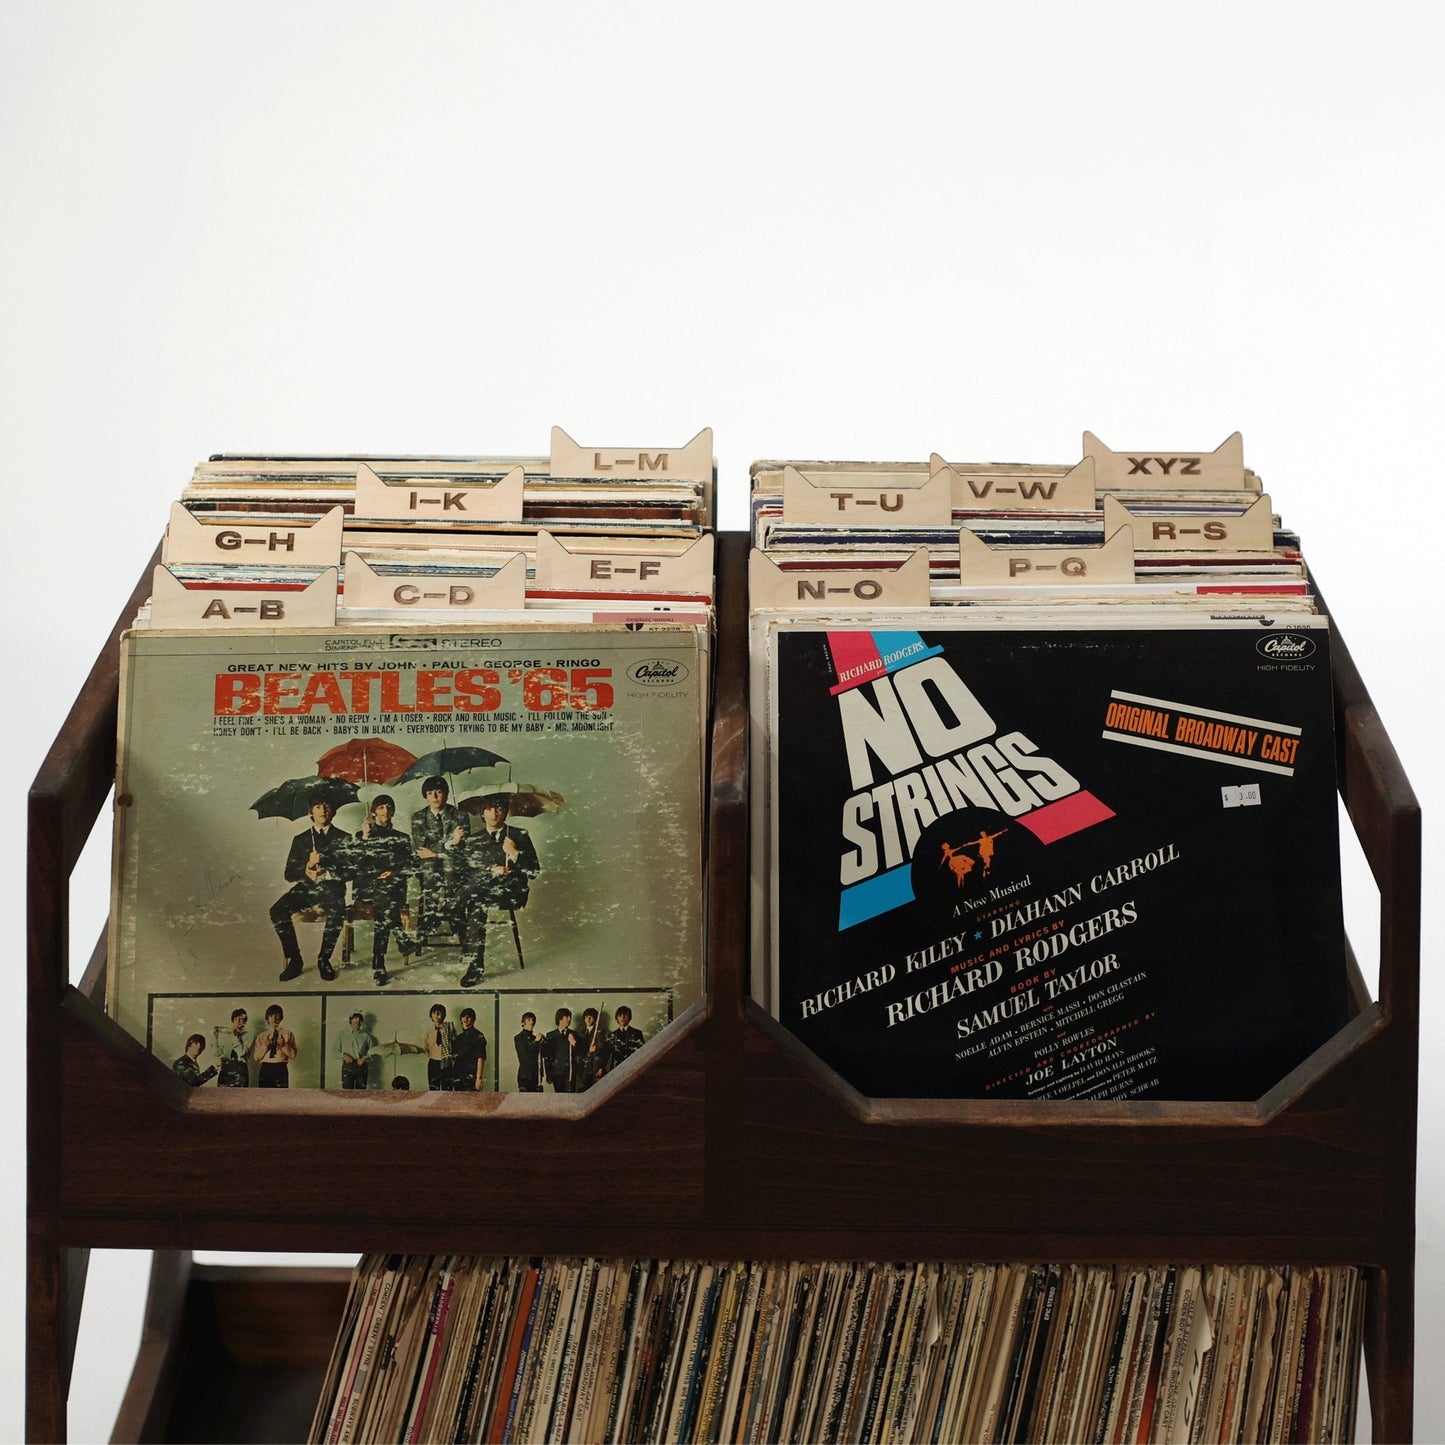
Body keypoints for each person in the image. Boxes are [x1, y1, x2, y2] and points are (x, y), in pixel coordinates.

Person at [451, 791, 540, 988]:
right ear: (482, 813)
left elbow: (534, 872)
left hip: (511, 893)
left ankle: (445, 912)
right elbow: (463, 872)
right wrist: (491, 870)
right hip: (482, 893)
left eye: (499, 809)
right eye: (489, 809)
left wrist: (515, 854)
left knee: (476, 895)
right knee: (477, 902)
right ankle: (475, 967)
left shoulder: (519, 835)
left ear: (506, 811)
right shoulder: (474, 839)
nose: (494, 813)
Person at [269, 795, 350, 982]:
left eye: (326, 806)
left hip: (331, 889)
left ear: (332, 811)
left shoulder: (344, 838)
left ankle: (324, 959)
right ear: (310, 812)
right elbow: (289, 874)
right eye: (318, 806)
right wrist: (307, 867)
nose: (323, 810)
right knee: (277, 910)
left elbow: (352, 871)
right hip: (307, 888)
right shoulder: (301, 839)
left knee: (338, 910)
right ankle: (295, 960)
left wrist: (328, 873)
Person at [347, 794, 418, 986]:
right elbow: (356, 865)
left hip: (393, 889)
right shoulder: (361, 835)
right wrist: (365, 838)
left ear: (393, 812)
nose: (385, 810)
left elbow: (410, 866)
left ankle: (378, 961)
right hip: (367, 890)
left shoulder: (402, 838)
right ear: (373, 812)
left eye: (388, 807)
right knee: (385, 904)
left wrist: (393, 873)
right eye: (380, 807)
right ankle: (401, 940)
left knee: (384, 903)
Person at [411, 776, 465, 941]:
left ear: (446, 794)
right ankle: (433, 914)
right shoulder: (418, 817)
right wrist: (450, 843)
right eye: (429, 793)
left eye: (439, 792)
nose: (434, 797)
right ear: (425, 796)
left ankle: (448, 918)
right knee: (431, 866)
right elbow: (422, 847)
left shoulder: (460, 815)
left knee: (451, 864)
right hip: (428, 867)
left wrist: (436, 852)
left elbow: (463, 848)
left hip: (454, 866)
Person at [252, 1004, 296, 1088]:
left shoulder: (288, 1034)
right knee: (264, 1094)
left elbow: (293, 1055)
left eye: (277, 1015)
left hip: (281, 1068)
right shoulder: (261, 1036)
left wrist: (283, 1045)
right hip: (266, 1068)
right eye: (271, 1016)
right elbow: (256, 1058)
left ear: (281, 1017)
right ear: (267, 1018)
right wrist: (265, 1046)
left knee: (280, 1094)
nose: (274, 1018)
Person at [450, 1006, 487, 1091]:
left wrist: (479, 1078)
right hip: (457, 1076)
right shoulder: (459, 1037)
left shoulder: (479, 1036)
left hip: (471, 1076)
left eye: (468, 1017)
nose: (465, 1019)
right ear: (461, 1019)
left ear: (473, 1019)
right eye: (463, 1016)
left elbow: (481, 1058)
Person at [337, 1010, 375, 1090]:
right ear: (350, 1021)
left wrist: (364, 1058)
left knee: (361, 1092)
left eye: (359, 1021)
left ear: (362, 1023)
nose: (357, 1023)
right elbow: (335, 1051)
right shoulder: (341, 1034)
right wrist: (344, 1056)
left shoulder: (366, 1036)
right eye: (355, 1020)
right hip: (348, 1066)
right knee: (347, 1092)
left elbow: (373, 1052)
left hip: (361, 1066)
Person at [212, 1007, 251, 1087]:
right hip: (226, 1069)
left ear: (245, 1021)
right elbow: (218, 1054)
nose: (238, 1021)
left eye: (241, 1019)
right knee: (222, 1093)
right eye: (236, 1019)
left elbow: (241, 1053)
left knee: (240, 1094)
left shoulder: (248, 1035)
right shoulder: (226, 1034)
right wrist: (215, 1038)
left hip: (240, 1070)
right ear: (233, 1020)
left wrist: (234, 1036)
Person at [423, 1002, 457, 1092]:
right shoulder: (429, 1032)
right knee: (433, 1089)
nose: (436, 1015)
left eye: (439, 1012)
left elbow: (455, 1044)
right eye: (434, 1012)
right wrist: (434, 1057)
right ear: (431, 1016)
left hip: (446, 1062)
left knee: (447, 1090)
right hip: (433, 1063)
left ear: (444, 1015)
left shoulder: (449, 1028)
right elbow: (426, 1048)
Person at [543, 1007, 577, 1093]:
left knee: (570, 1097)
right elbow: (548, 1056)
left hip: (570, 1073)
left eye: (570, 1017)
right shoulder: (550, 1035)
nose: (569, 1019)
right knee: (559, 1097)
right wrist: (548, 1073)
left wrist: (574, 1043)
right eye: (567, 1017)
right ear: (560, 1019)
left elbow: (580, 1053)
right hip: (556, 1073)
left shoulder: (574, 1034)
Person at [575, 1007, 608, 1091]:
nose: (588, 1019)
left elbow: (604, 1052)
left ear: (595, 1018)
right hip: (583, 1068)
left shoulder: (600, 1032)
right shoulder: (581, 1032)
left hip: (595, 1066)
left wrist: (601, 1067)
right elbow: (579, 1051)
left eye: (591, 1017)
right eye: (586, 1017)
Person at [607, 1006, 646, 1072]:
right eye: (620, 1015)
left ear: (629, 1017)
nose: (623, 1018)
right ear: (617, 1018)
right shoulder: (612, 1035)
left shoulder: (637, 1033)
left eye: (625, 1015)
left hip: (633, 1067)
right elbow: (605, 1053)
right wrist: (601, 1067)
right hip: (615, 1068)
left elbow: (642, 1052)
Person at [513, 1011, 544, 1092]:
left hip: (536, 1076)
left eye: (533, 1020)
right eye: (529, 1020)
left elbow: (541, 1056)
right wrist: (536, 1042)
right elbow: (524, 1055)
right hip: (525, 1076)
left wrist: (544, 1042)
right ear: (523, 1022)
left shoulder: (535, 1038)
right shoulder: (519, 1038)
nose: (532, 1022)